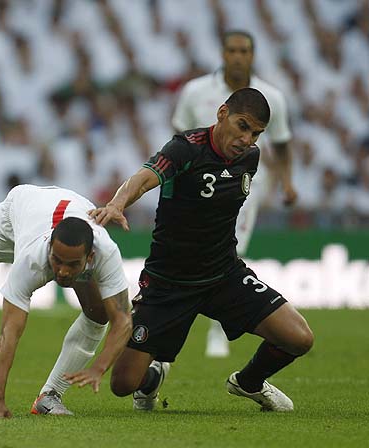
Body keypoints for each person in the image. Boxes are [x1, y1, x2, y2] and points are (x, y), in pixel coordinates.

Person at [91, 88, 313, 412]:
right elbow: (145, 176)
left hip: (223, 276)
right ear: (222, 113)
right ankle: (154, 376)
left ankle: (249, 383)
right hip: (168, 283)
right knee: (123, 384)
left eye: (256, 133)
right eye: (242, 126)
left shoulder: (251, 157)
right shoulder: (185, 149)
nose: (247, 139)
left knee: (299, 338)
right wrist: (116, 204)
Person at [0, 118, 132, 418]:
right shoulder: (32, 260)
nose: (63, 272)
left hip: (70, 206)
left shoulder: (106, 251)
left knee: (98, 313)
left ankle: (49, 396)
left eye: (73, 264)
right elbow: (10, 331)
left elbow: (122, 321)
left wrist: (99, 368)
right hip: (22, 207)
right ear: (50, 251)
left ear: (90, 256)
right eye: (57, 262)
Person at [171, 30, 297, 358]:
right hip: (194, 186)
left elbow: (281, 144)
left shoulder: (271, 97)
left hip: (242, 184)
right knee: (187, 249)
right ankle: (175, 318)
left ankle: (218, 328)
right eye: (232, 50)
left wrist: (286, 182)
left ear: (253, 55)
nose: (238, 56)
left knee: (231, 247)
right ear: (223, 54)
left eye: (244, 50)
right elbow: (178, 137)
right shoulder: (195, 91)